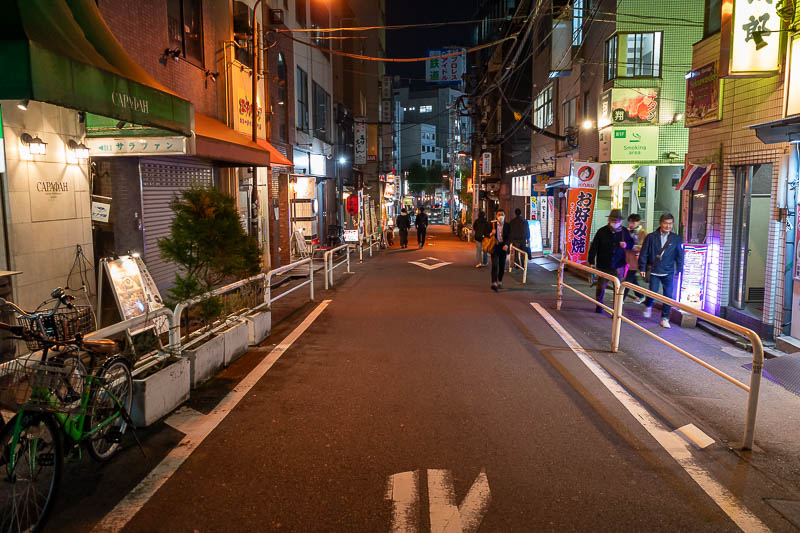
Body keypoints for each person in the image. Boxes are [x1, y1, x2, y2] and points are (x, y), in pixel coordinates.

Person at [639, 213, 685, 328]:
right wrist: (642, 267)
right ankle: (648, 305)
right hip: (654, 270)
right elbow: (644, 252)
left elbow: (680, 255)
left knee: (668, 295)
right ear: (660, 223)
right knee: (652, 292)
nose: (668, 226)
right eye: (666, 223)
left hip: (668, 271)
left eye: (670, 224)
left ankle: (665, 318)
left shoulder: (676, 238)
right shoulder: (651, 237)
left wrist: (679, 269)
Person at [588, 209, 633, 313]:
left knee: (617, 290)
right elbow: (594, 247)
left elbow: (631, 244)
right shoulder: (601, 231)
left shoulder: (624, 232)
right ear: (609, 219)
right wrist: (591, 261)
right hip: (603, 265)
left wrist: (626, 245)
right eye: (613, 219)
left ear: (620, 221)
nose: (615, 222)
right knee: (601, 288)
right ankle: (599, 306)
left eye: (617, 220)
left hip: (619, 265)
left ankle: (616, 310)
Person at [623, 214, 648, 304]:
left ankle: (621, 299)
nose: (631, 224)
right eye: (630, 222)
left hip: (636, 259)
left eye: (633, 222)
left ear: (638, 222)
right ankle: (640, 296)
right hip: (627, 258)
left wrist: (636, 247)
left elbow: (646, 246)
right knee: (632, 280)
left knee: (628, 280)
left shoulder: (643, 233)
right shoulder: (626, 231)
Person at [490, 209, 512, 292]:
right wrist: (492, 233)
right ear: (496, 216)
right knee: (495, 264)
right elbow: (487, 235)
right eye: (499, 215)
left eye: (502, 214)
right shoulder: (492, 225)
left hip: (503, 247)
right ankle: (494, 283)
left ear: (504, 216)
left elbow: (510, 236)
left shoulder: (507, 225)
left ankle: (499, 281)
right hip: (495, 246)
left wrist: (507, 244)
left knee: (502, 265)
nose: (500, 216)